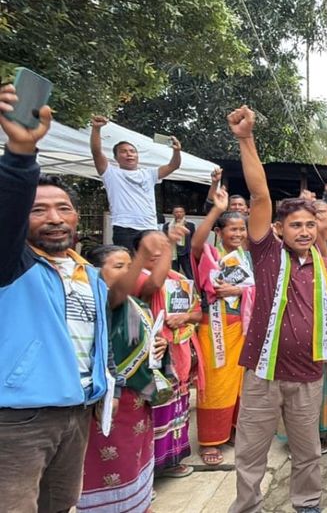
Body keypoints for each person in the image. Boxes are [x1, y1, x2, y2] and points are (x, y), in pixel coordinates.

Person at [0, 85, 118, 513]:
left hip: (77, 408)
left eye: (64, 208)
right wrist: (19, 154)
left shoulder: (88, 272)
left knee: (61, 504)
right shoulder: (12, 265)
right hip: (18, 419)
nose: (54, 218)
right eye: (39, 209)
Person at [225, 106, 327, 513]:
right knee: (250, 452)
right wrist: (246, 139)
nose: (304, 231)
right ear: (278, 229)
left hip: (310, 377)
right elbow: (260, 195)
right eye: (295, 225)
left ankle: (307, 502)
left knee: (308, 449)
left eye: (310, 225)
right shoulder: (265, 254)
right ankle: (247, 506)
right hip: (263, 374)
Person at [78, 242, 174, 513]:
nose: (127, 273)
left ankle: (137, 503)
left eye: (131, 266)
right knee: (110, 462)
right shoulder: (101, 303)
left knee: (136, 457)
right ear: (95, 272)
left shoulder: (139, 304)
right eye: (119, 266)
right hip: (111, 401)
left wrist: (161, 347)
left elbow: (147, 340)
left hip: (138, 401)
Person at [191, 187, 255, 466]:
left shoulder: (248, 259)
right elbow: (195, 243)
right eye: (232, 230)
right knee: (216, 384)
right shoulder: (208, 253)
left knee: (241, 384)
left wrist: (240, 292)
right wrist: (216, 209)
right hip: (214, 327)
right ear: (219, 232)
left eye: (242, 229)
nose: (238, 234)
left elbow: (262, 289)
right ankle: (210, 439)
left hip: (242, 328)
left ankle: (232, 430)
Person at [133, 229, 202, 478]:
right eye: (153, 250)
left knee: (178, 409)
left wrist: (185, 316)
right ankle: (146, 472)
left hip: (179, 354)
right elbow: (153, 285)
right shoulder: (136, 279)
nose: (159, 254)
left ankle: (171, 461)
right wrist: (171, 243)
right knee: (155, 412)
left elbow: (197, 312)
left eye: (163, 249)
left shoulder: (178, 279)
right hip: (151, 357)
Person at [90, 116, 182, 250]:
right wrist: (96, 129)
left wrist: (177, 151)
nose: (129, 154)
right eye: (124, 152)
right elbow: (96, 152)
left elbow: (173, 165)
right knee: (128, 266)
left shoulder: (149, 174)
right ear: (116, 158)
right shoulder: (111, 173)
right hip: (124, 229)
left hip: (150, 228)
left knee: (151, 267)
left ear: (137, 156)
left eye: (132, 151)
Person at [164, 204, 195, 279]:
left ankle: (193, 288)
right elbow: (165, 239)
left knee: (189, 273)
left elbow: (193, 239)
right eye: (176, 212)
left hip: (186, 253)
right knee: (174, 274)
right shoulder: (167, 226)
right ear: (173, 213)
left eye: (181, 212)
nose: (179, 214)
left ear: (184, 213)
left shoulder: (190, 225)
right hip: (173, 253)